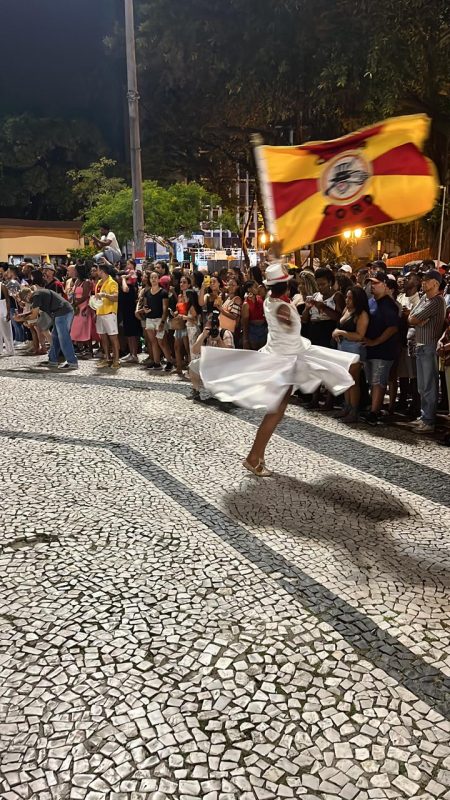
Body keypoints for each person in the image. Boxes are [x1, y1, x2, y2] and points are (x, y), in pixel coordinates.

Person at [200, 261, 358, 476]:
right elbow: (290, 337)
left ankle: (257, 457)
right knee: (275, 412)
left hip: (281, 358)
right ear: (285, 284)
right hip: (285, 362)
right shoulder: (281, 306)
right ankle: (254, 457)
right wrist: (307, 352)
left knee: (276, 410)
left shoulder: (270, 300)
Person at [408, 268, 446, 433]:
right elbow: (412, 317)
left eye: (427, 279)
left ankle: (429, 420)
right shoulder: (424, 297)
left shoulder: (437, 301)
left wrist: (417, 320)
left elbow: (414, 318)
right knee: (422, 386)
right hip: (420, 345)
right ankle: (424, 416)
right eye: (423, 279)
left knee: (429, 385)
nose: (423, 282)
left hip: (429, 345)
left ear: (436, 283)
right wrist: (418, 321)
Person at [361, 271, 400, 425]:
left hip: (383, 350)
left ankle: (374, 412)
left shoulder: (388, 304)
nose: (372, 286)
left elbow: (393, 328)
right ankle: (373, 407)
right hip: (370, 350)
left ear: (385, 285)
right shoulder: (371, 301)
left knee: (378, 381)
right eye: (371, 283)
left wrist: (376, 341)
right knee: (372, 380)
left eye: (376, 283)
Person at [15, 286, 78, 370]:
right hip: (60, 312)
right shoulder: (38, 294)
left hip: (62, 312)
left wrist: (21, 319)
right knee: (55, 337)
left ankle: (72, 362)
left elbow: (34, 315)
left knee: (63, 338)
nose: (27, 301)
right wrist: (22, 315)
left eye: (25, 299)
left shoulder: (36, 296)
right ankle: (53, 360)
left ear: (28, 295)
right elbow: (34, 311)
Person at [331, 286, 370, 422]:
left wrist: (341, 333)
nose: (347, 300)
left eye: (350, 298)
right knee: (345, 379)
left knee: (353, 381)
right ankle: (347, 406)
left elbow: (360, 335)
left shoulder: (361, 314)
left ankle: (354, 410)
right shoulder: (347, 310)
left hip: (354, 349)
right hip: (342, 346)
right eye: (347, 297)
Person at [188, 309, 235, 402]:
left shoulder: (225, 333)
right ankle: (195, 391)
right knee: (193, 364)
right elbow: (194, 351)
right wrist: (202, 337)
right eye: (208, 324)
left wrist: (219, 340)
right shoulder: (205, 334)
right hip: (211, 364)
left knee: (220, 398)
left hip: (226, 366)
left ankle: (225, 394)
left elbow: (229, 354)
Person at [142, 271, 173, 371]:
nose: (153, 279)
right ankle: (156, 362)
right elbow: (145, 305)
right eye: (152, 277)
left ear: (158, 279)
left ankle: (169, 361)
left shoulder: (163, 292)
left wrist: (163, 322)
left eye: (155, 277)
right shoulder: (147, 292)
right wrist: (145, 310)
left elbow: (165, 309)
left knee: (162, 342)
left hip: (159, 319)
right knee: (153, 342)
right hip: (150, 319)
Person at [94, 261, 120, 369]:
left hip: (109, 313)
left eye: (98, 270)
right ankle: (107, 358)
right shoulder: (99, 282)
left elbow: (116, 297)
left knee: (113, 337)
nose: (96, 272)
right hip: (100, 312)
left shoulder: (112, 283)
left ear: (102, 271)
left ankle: (116, 360)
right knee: (103, 337)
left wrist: (105, 295)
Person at [118, 259, 142, 364]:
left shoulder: (133, 276)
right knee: (128, 332)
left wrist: (123, 279)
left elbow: (125, 289)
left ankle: (134, 354)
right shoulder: (127, 275)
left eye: (129, 264)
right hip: (126, 307)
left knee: (132, 332)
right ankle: (131, 353)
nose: (127, 266)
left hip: (131, 307)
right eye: (126, 264)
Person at [70, 261, 96, 357]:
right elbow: (73, 293)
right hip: (76, 306)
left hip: (83, 307)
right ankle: (82, 348)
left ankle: (89, 350)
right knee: (76, 329)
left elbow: (85, 296)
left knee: (85, 328)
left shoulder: (86, 282)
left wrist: (76, 303)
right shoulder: (77, 281)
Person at [0, 281, 14, 357]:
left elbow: (7, 298)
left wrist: (8, 312)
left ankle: (10, 350)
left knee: (6, 330)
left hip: (2, 307)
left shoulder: (2, 285)